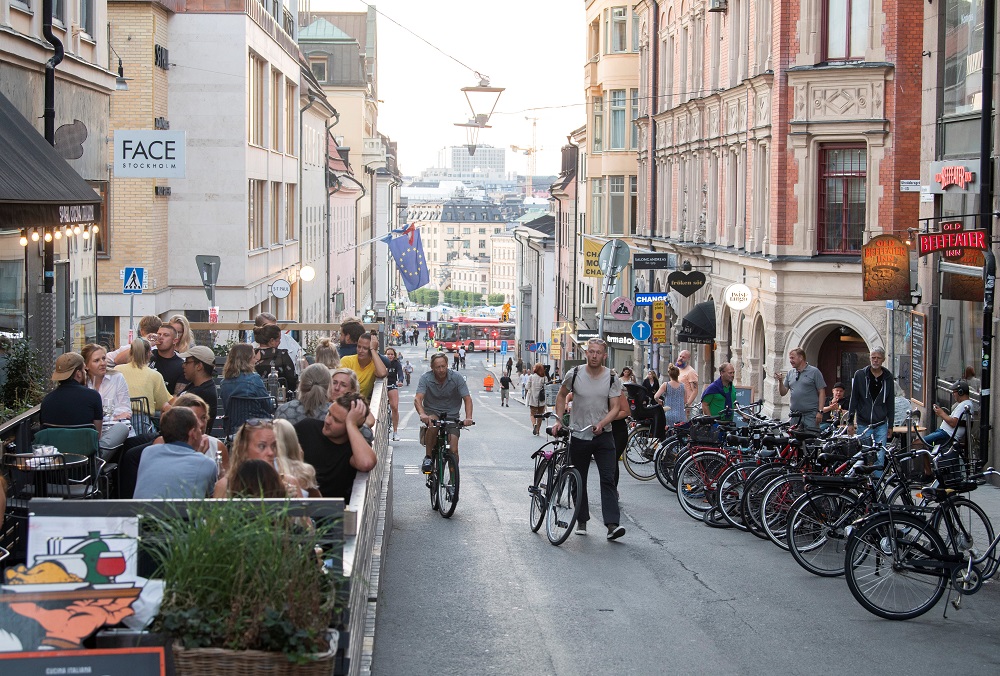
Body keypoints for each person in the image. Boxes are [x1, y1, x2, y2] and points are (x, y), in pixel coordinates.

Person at [552, 338, 625, 540]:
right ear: (586, 353)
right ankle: (581, 519)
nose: (594, 356)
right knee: (578, 477)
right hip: (579, 434)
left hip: (604, 436)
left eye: (598, 352)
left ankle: (612, 525)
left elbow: (616, 407)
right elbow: (561, 395)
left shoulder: (611, 378)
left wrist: (602, 423)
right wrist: (559, 420)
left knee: (608, 478)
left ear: (604, 355)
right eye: (591, 352)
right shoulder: (574, 374)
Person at [294, 392, 377, 502]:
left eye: (336, 420)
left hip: (331, 513)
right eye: (329, 414)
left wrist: (351, 424)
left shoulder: (352, 449)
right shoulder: (307, 428)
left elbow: (366, 463)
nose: (327, 421)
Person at [134, 407, 218, 499]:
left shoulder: (147, 452)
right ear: (192, 433)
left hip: (142, 512)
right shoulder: (207, 464)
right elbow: (212, 500)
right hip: (182, 513)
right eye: (198, 428)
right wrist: (200, 456)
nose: (201, 432)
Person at [414, 353, 474, 474]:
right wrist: (422, 414)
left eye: (443, 366)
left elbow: (467, 398)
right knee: (433, 426)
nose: (441, 370)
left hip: (452, 415)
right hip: (433, 411)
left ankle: (453, 479)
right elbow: (418, 399)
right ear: (432, 368)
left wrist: (468, 418)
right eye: (438, 367)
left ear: (447, 365)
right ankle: (428, 458)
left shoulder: (456, 378)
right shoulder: (425, 378)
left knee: (453, 449)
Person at [214, 418, 299, 498]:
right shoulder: (225, 486)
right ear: (243, 449)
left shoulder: (290, 483)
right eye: (262, 446)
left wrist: (288, 502)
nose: (271, 453)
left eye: (274, 446)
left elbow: (303, 513)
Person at [39, 352, 104, 440]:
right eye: (84, 370)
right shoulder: (93, 396)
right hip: (86, 450)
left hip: (56, 450)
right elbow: (97, 436)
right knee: (120, 428)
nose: (85, 373)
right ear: (78, 373)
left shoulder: (47, 400)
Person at [81, 344, 131, 453]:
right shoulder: (83, 384)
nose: (103, 363)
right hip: (93, 432)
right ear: (86, 366)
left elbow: (125, 410)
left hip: (115, 431)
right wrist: (110, 413)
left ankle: (98, 458)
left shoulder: (117, 378)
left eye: (104, 359)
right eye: (96, 360)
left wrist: (101, 414)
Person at [846, 347, 895, 444]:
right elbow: (854, 399)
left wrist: (890, 425)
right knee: (865, 454)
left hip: (881, 423)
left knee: (880, 455)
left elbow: (890, 403)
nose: (875, 360)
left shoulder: (888, 377)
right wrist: (850, 422)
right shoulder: (860, 375)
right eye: (873, 357)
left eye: (878, 358)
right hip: (864, 423)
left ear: (883, 360)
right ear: (870, 358)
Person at [116, 338, 172, 414]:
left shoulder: (117, 369)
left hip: (119, 417)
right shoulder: (155, 375)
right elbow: (162, 403)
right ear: (149, 354)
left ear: (130, 352)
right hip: (143, 420)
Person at [220, 343, 273, 420]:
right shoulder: (255, 379)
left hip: (232, 428)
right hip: (255, 427)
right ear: (247, 360)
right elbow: (268, 406)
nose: (256, 360)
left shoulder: (224, 383)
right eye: (254, 357)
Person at [777, 347, 826, 431]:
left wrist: (820, 411)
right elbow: (783, 392)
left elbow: (822, 392)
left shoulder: (814, 372)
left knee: (810, 441)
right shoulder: (790, 373)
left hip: (810, 415)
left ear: (801, 358)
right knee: (794, 441)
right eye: (790, 358)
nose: (790, 360)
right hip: (795, 416)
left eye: (792, 358)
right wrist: (780, 381)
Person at [273, 418, 321, 497]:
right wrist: (300, 463)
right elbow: (319, 503)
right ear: (294, 441)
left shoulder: (264, 468)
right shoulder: (305, 472)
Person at [178, 345, 219, 434]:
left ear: (199, 366)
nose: (183, 365)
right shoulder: (194, 385)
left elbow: (174, 413)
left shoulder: (203, 392)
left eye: (187, 362)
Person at [923, 380, 976, 447]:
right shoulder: (964, 404)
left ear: (960, 392)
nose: (953, 394)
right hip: (944, 432)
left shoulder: (964, 405)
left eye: (954, 392)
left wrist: (941, 413)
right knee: (922, 445)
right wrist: (940, 413)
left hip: (947, 434)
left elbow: (953, 423)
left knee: (917, 443)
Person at [340, 332, 388, 401]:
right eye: (358, 346)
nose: (360, 351)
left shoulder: (374, 365)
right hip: (343, 403)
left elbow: (382, 373)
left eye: (365, 348)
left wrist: (373, 350)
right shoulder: (346, 360)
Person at [329, 367, 377, 435]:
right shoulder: (320, 401)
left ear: (352, 390)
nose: (337, 388)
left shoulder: (353, 405)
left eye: (343, 385)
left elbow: (370, 421)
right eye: (334, 383)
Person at [253, 324, 299, 393]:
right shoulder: (282, 355)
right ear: (272, 341)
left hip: (255, 396)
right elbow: (292, 380)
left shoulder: (251, 355)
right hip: (279, 396)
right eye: (278, 339)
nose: (280, 342)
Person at [150, 323, 187, 395]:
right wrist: (146, 342)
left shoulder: (181, 365)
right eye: (159, 334)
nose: (160, 338)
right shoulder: (148, 355)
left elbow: (177, 397)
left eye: (166, 335)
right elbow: (121, 359)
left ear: (175, 341)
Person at [384, 348, 404, 440]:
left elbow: (400, 373)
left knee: (394, 407)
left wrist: (400, 381)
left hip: (392, 385)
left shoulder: (396, 363)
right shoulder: (382, 362)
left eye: (392, 354)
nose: (390, 356)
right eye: (388, 354)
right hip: (382, 386)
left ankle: (395, 432)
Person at [525, 364, 548, 435]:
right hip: (541, 399)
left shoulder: (531, 377)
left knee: (532, 414)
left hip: (533, 398)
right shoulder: (544, 378)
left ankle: (534, 424)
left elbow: (527, 387)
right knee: (540, 415)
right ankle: (538, 430)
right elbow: (547, 387)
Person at [676, 350, 699, 418]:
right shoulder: (677, 369)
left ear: (688, 359)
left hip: (684, 406)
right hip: (676, 404)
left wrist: (687, 405)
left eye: (683, 357)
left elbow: (695, 391)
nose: (680, 358)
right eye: (680, 356)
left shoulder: (691, 372)